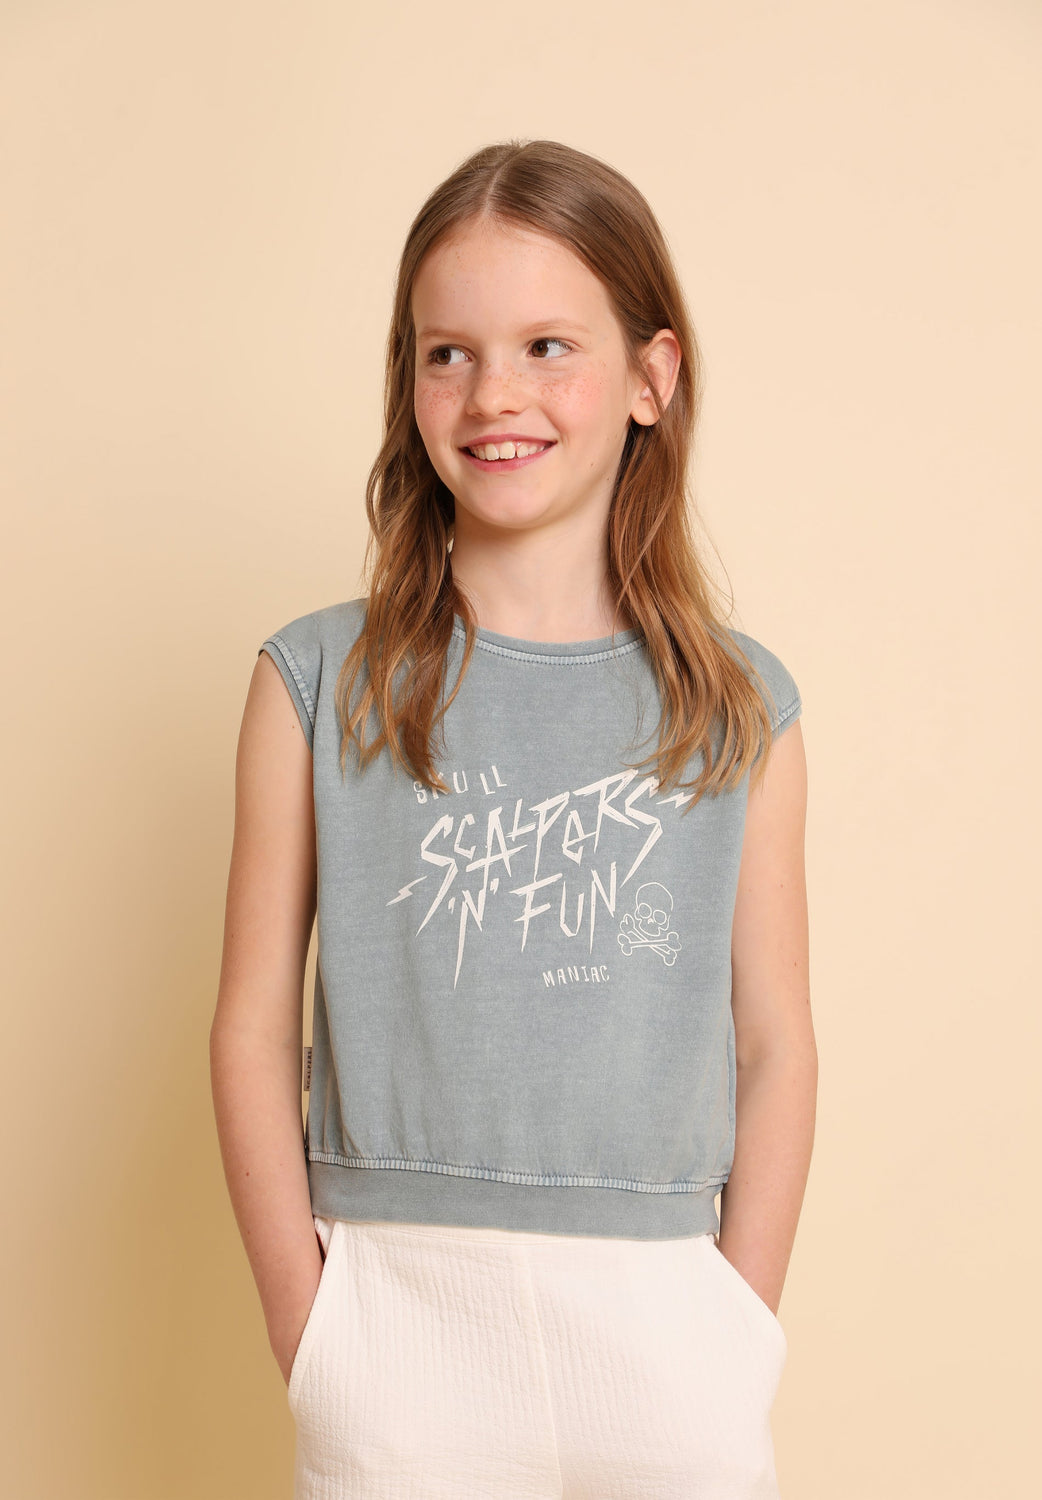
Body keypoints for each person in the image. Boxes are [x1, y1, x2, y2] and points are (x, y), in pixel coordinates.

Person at [210, 138, 817, 1500]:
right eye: (449, 353)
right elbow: (250, 1025)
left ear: (651, 378)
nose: (494, 394)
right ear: (409, 379)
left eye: (548, 346)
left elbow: (776, 1039)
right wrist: (311, 1332)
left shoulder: (740, 706)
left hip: (669, 1329)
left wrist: (737, 1325)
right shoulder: (317, 680)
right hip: (392, 1323)